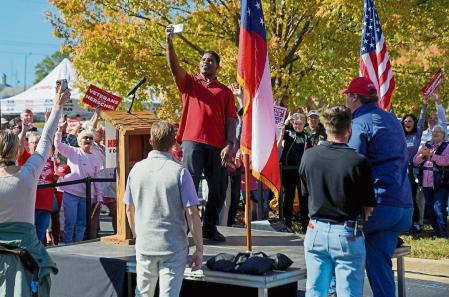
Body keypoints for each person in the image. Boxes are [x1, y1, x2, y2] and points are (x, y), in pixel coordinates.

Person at [341, 77, 413, 297]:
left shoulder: (359, 123)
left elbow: (352, 167)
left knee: (333, 245)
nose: (345, 100)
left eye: (347, 95)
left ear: (355, 98)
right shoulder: (392, 120)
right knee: (377, 262)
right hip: (402, 207)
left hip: (376, 207)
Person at [166, 25, 237, 242]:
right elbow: (174, 68)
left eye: (210, 60)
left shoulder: (224, 91)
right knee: (189, 185)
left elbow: (231, 120)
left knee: (218, 187)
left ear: (217, 67)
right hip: (192, 141)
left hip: (218, 146)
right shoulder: (190, 83)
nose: (205, 62)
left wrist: (230, 143)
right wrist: (169, 41)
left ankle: (209, 227)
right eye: (203, 60)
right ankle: (184, 228)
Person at [300, 105, 376, 297]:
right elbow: (368, 207)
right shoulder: (358, 161)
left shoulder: (308, 156)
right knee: (348, 293)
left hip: (315, 229)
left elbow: (305, 192)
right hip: (347, 232)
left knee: (315, 292)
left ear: (326, 127)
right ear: (349, 128)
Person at [0, 86, 69, 296]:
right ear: (18, 150)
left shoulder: (26, 172)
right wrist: (57, 106)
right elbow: (46, 139)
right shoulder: (28, 173)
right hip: (25, 255)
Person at [124, 121, 203, 297]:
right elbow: (192, 213)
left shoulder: (136, 170)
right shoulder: (180, 172)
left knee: (142, 293)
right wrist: (199, 248)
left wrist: (138, 235)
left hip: (145, 244)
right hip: (172, 245)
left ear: (151, 140)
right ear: (173, 141)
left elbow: (129, 209)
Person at [54, 128, 103, 244]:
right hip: (71, 193)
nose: (88, 140)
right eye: (85, 137)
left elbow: (96, 178)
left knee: (82, 223)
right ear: (79, 141)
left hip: (87, 196)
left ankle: (78, 245)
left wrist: (99, 196)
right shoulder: (73, 151)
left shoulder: (96, 158)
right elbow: (58, 145)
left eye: (90, 138)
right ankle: (67, 245)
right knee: (70, 222)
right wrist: (59, 131)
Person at [18, 132, 57, 242]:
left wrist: (55, 178)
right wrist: (24, 129)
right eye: (34, 142)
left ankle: (37, 256)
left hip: (46, 203)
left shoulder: (49, 161)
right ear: (28, 144)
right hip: (31, 203)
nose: (36, 145)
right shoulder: (26, 157)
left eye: (39, 143)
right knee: (29, 232)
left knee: (41, 232)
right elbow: (20, 147)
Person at [413, 125, 449, 238]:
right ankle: (436, 231)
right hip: (426, 182)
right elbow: (415, 161)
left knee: (438, 208)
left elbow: (446, 161)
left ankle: (443, 234)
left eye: (438, 131)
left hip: (441, 182)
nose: (435, 133)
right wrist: (423, 156)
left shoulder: (447, 146)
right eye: (434, 131)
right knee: (430, 208)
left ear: (443, 135)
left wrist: (431, 155)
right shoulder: (427, 145)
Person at [278, 113, 311, 230]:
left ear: (304, 124)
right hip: (288, 170)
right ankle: (287, 224)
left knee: (303, 198)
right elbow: (278, 137)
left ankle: (305, 225)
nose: (297, 126)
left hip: (301, 171)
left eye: (300, 124)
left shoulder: (307, 136)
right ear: (292, 124)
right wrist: (284, 126)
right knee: (289, 197)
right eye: (295, 124)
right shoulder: (288, 133)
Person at [402, 96, 427, 234]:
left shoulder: (417, 135)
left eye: (410, 121)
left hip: (412, 169)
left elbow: (422, 119)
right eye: (405, 121)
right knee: (403, 196)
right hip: (400, 170)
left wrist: (424, 105)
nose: (407, 123)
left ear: (414, 123)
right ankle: (404, 223)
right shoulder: (401, 135)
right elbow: (393, 117)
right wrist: (389, 105)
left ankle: (416, 223)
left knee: (412, 197)